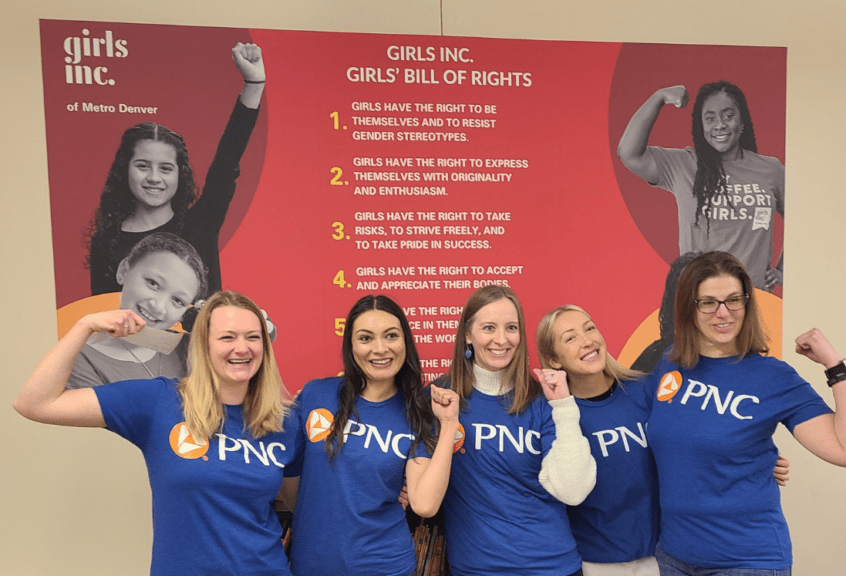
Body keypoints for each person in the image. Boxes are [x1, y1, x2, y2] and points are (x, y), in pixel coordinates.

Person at [14, 290, 296, 576]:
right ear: (203, 345)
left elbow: (303, 504)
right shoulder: (158, 402)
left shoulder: (283, 422)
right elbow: (36, 403)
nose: (242, 348)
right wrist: (84, 326)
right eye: (227, 337)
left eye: (253, 337)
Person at [647, 251, 846, 574]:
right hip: (673, 556)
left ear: (747, 303)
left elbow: (842, 449)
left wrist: (835, 367)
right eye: (708, 302)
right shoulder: (669, 365)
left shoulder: (773, 377)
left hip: (747, 561)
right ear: (689, 308)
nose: (722, 313)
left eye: (733, 300)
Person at [280, 295, 459, 576]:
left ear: (405, 343)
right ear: (351, 346)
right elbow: (293, 494)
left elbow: (425, 503)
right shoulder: (316, 394)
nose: (380, 348)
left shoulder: (416, 413)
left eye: (391, 335)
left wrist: (448, 425)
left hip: (386, 566)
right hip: (312, 565)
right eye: (365, 338)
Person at [438, 285, 596, 576]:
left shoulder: (544, 400)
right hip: (477, 570)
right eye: (488, 328)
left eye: (511, 327)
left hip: (553, 567)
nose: (501, 339)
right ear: (468, 335)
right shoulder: (440, 398)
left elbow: (572, 491)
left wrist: (563, 407)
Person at [87, 42, 265, 296]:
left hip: (204, 338)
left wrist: (254, 83)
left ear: (179, 175)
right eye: (142, 165)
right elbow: (104, 320)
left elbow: (228, 159)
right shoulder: (106, 241)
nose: (154, 178)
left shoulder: (201, 223)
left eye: (166, 168)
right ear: (124, 170)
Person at [617, 81, 784, 292]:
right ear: (701, 126)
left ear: (742, 123)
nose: (720, 124)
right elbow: (628, 153)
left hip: (753, 299)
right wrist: (658, 98)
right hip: (700, 299)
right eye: (710, 118)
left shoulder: (770, 169)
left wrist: (782, 270)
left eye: (728, 115)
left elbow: (802, 218)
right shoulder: (684, 165)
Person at [537, 305, 658, 576]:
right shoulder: (553, 415)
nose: (587, 341)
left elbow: (691, 446)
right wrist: (564, 407)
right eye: (570, 338)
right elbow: (569, 490)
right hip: (595, 564)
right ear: (553, 359)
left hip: (663, 557)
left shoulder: (645, 390)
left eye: (590, 328)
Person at [68, 232, 207, 388]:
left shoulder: (193, 350)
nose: (159, 307)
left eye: (177, 301)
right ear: (123, 271)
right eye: (153, 283)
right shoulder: (81, 359)